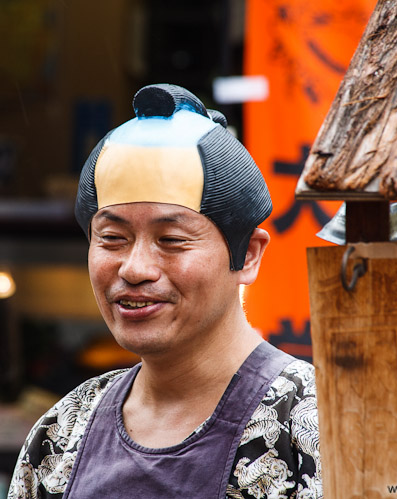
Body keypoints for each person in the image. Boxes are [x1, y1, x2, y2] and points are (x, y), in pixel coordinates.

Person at [8, 84, 322, 498]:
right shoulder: (63, 430)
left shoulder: (315, 423)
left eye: (171, 239)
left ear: (246, 255)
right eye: (112, 238)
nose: (135, 269)